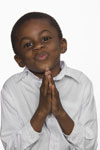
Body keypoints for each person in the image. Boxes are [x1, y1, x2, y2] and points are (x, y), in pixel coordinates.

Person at [0, 12, 98, 150]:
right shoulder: (12, 89)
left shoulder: (81, 83)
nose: (38, 46)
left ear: (62, 45)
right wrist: (41, 111)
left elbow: (90, 145)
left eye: (45, 39)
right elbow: (11, 147)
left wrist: (59, 112)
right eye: (28, 44)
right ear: (19, 60)